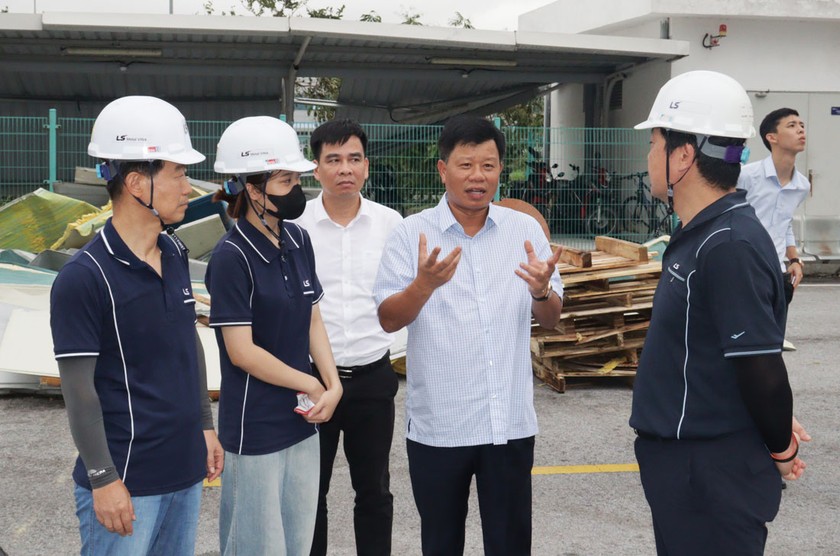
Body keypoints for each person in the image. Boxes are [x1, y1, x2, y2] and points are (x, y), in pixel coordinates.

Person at [629, 70, 810, 556]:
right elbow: (717, 346)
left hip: (708, 476)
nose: (649, 156)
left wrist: (780, 445)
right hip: (688, 469)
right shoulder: (704, 232)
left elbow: (761, 368)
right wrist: (761, 418)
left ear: (683, 155)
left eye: (655, 142)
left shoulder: (727, 244)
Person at [373, 115, 564, 555]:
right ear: (443, 170)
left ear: (500, 170)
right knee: (440, 544)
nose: (477, 177)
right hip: (440, 427)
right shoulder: (411, 234)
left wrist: (540, 291)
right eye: (465, 165)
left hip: (508, 424)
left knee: (511, 543)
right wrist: (423, 286)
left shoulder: (525, 231)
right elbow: (387, 319)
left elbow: (552, 317)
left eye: (489, 165)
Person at [49, 95, 224, 555]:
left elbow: (186, 345)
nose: (189, 187)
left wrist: (205, 425)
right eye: (179, 173)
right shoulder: (84, 279)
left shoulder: (175, 252)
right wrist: (103, 479)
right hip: (126, 484)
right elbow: (79, 392)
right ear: (136, 182)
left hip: (183, 473)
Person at [206, 116, 343, 555]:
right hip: (255, 428)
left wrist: (333, 383)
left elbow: (312, 319)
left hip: (302, 421)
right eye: (285, 179)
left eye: (295, 178)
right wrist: (310, 383)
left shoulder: (299, 239)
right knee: (255, 545)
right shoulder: (232, 257)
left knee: (297, 541)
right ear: (253, 187)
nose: (297, 189)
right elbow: (242, 352)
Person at [292, 120, 402, 556]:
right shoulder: (295, 227)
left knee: (374, 491)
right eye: (333, 160)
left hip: (373, 377)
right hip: (312, 382)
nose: (345, 169)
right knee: (308, 494)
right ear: (315, 169)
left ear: (366, 166)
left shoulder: (391, 224)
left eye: (354, 159)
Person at [737, 108, 810, 306]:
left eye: (802, 125)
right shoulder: (746, 176)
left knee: (773, 334)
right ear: (772, 137)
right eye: (792, 125)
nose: (801, 130)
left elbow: (784, 222)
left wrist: (794, 260)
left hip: (776, 272)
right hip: (742, 270)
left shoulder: (802, 186)